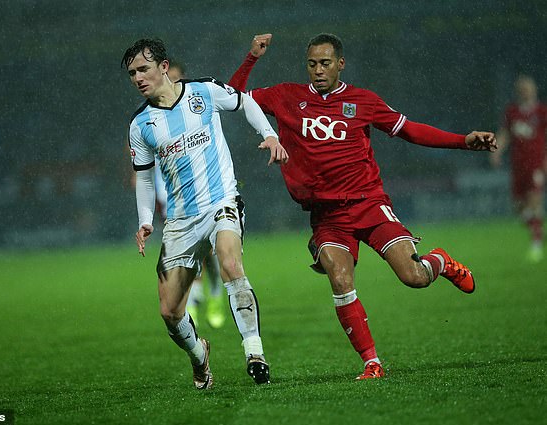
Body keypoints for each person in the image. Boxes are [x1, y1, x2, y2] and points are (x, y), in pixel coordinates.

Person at [229, 33, 497, 379]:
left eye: (325, 63)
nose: (318, 70)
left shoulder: (362, 101)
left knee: (413, 277)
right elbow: (231, 98)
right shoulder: (286, 96)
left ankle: (440, 261)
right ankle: (372, 362)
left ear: (340, 64)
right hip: (327, 216)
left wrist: (463, 141)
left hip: (369, 204)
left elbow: (409, 130)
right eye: (312, 64)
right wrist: (252, 57)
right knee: (340, 280)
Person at [123, 38, 288, 389]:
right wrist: (145, 221)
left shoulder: (204, 92)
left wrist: (270, 135)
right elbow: (145, 178)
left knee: (230, 263)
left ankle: (254, 352)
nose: (138, 78)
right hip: (180, 221)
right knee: (169, 311)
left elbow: (245, 102)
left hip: (221, 202)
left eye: (143, 69)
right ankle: (200, 355)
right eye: (132, 73)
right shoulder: (140, 125)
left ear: (163, 67)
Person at [167, 62, 227, 329]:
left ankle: (213, 296)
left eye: (177, 78)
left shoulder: (196, 107)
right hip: (173, 195)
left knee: (211, 253)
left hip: (208, 190)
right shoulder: (151, 117)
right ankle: (191, 305)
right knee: (185, 252)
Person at [491, 75, 546, 262]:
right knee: (519, 208)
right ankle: (537, 229)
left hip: (536, 164)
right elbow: (505, 133)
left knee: (534, 201)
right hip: (518, 165)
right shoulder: (512, 112)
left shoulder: (541, 112)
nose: (525, 91)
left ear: (534, 90)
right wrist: (497, 151)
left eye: (528, 88)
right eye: (522, 89)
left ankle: (536, 245)